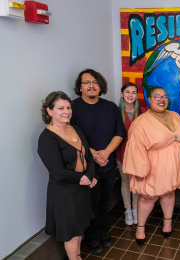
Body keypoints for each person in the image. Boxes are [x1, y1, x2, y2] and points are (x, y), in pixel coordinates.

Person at [123, 87, 180, 247]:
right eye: (157, 97)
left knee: (169, 193)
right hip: (152, 169)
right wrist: (140, 171)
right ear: (149, 99)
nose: (162, 100)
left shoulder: (175, 115)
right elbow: (135, 147)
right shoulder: (141, 122)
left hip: (173, 167)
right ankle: (140, 229)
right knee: (148, 197)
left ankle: (167, 224)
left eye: (164, 97)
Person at [71, 69, 126, 255]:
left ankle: (103, 231)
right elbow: (73, 137)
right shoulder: (73, 108)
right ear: (80, 87)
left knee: (104, 202)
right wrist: (95, 154)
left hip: (108, 165)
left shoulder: (110, 107)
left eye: (95, 82)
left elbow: (120, 132)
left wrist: (107, 152)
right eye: (86, 82)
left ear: (100, 85)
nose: (91, 85)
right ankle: (92, 238)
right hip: (87, 168)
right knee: (91, 205)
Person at [38, 91, 96, 260]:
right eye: (61, 108)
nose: (67, 111)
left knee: (79, 230)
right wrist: (84, 179)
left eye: (68, 107)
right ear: (49, 111)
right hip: (64, 193)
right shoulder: (47, 138)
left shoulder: (75, 128)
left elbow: (88, 156)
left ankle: (77, 256)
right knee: (71, 233)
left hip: (82, 189)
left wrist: (91, 175)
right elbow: (58, 172)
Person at [116, 82, 146, 225]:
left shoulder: (144, 112)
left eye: (133, 92)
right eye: (127, 92)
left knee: (136, 182)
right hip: (121, 152)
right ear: (122, 94)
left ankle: (136, 209)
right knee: (126, 182)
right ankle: (128, 210)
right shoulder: (115, 113)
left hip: (138, 155)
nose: (130, 95)